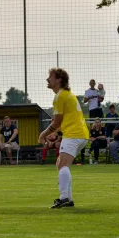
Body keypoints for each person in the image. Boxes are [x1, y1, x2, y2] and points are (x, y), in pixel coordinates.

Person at [39, 68, 89, 208]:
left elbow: (56, 122)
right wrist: (54, 133)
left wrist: (43, 134)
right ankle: (68, 198)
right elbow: (63, 121)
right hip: (78, 134)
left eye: (50, 77)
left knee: (62, 165)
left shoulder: (60, 96)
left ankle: (64, 198)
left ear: (59, 80)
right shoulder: (66, 95)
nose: (48, 79)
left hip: (74, 134)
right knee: (60, 164)